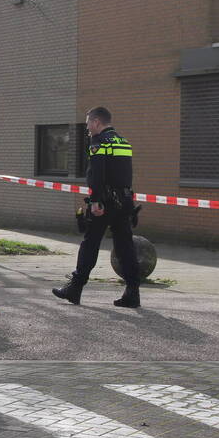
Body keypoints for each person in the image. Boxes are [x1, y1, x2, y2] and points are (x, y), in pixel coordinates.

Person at [53, 106, 140, 308]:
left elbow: (96, 174)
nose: (87, 128)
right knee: (125, 246)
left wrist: (95, 201)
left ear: (96, 122)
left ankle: (75, 288)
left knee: (90, 243)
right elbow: (125, 174)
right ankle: (132, 292)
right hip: (125, 200)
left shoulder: (98, 142)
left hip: (106, 202)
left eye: (88, 124)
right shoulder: (123, 142)